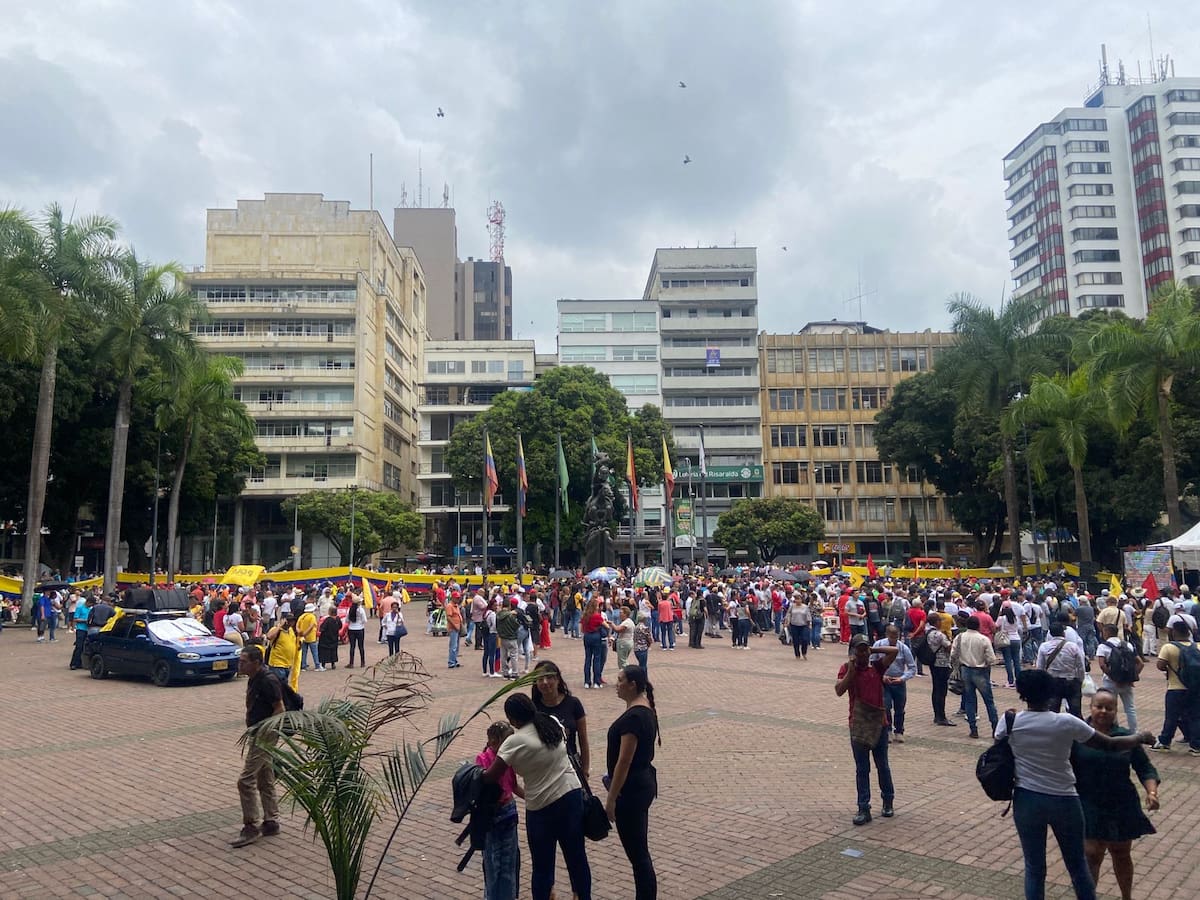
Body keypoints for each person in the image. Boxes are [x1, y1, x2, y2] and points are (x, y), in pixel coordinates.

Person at [998, 669, 1155, 900]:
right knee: (1078, 866)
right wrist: (1140, 738)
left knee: (1034, 867)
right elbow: (1109, 745)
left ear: (1022, 694)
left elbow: (1000, 748)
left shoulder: (1009, 720)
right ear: (1051, 694)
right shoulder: (1066, 722)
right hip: (1064, 799)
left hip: (1027, 799)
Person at [481, 694, 592, 900]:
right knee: (577, 857)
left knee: (542, 866)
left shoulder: (514, 742)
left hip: (542, 808)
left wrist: (477, 767)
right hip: (571, 797)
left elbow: (491, 776)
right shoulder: (553, 723)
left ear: (512, 719)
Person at [1071, 689, 1159, 900]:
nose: (1103, 711)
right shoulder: (1077, 736)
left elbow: (1145, 768)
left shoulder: (1127, 738)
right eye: (1098, 706)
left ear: (1116, 711)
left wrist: (1152, 792)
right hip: (1088, 801)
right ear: (1090, 708)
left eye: (1109, 708)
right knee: (1091, 854)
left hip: (1121, 802)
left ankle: (1126, 896)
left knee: (1121, 853)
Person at [605, 666, 660, 900]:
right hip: (643, 783)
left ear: (633, 685)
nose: (616, 684)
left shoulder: (635, 717)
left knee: (638, 854)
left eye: (620, 680)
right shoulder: (644, 708)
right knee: (639, 851)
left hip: (632, 789)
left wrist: (611, 798)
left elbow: (624, 761)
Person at [835, 634, 899, 825]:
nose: (863, 653)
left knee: (883, 766)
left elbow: (894, 651)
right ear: (852, 652)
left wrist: (874, 650)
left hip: (879, 723)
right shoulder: (847, 669)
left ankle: (888, 801)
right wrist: (852, 669)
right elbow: (839, 690)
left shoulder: (877, 667)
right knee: (862, 769)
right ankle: (864, 807)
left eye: (865, 649)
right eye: (859, 649)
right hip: (858, 723)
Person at [231, 645, 283, 847]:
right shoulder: (254, 677)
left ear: (256, 662)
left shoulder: (268, 680)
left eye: (244, 661)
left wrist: (265, 731)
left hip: (265, 735)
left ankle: (251, 826)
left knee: (245, 780)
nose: (240, 664)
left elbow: (280, 708)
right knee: (265, 777)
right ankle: (271, 820)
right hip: (257, 732)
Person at [475, 721, 523, 900]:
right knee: (493, 863)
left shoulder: (508, 759)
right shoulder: (483, 760)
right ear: (493, 742)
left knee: (509, 862)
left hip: (509, 813)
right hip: (492, 816)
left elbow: (514, 786)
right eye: (506, 742)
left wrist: (534, 797)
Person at [532, 660, 590, 778]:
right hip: (544, 769)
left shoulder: (573, 703)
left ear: (558, 679)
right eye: (540, 679)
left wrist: (585, 769)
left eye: (549, 677)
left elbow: (583, 740)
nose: (545, 682)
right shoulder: (533, 708)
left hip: (571, 766)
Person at [1150, 618, 1200, 754]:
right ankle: (1196, 746)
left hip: (1175, 688)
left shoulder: (1169, 647)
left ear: (1174, 632)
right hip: (1195, 688)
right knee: (1196, 716)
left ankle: (1164, 742)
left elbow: (1160, 665)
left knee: (1171, 716)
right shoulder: (1197, 646)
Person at [951, 615, 1000, 739]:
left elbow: (953, 654)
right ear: (978, 625)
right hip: (981, 671)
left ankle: (973, 729)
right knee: (989, 701)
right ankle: (995, 728)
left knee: (969, 700)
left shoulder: (960, 637)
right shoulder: (983, 639)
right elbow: (991, 659)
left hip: (965, 670)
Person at [1095, 622, 1142, 731]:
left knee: (1110, 707)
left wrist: (1114, 678)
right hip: (1127, 682)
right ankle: (1134, 731)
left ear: (1106, 633)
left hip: (1110, 682)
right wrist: (1131, 678)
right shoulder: (1127, 645)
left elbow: (1102, 665)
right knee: (1130, 708)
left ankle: (1114, 729)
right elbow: (1140, 663)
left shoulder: (1103, 646)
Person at [872, 624, 916, 743]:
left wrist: (902, 678)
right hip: (884, 681)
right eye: (891, 638)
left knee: (900, 708)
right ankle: (888, 730)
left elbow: (912, 667)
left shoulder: (903, 648)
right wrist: (881, 676)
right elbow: (872, 663)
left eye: (896, 638)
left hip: (898, 681)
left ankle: (899, 730)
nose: (893, 640)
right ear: (887, 635)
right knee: (885, 706)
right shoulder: (879, 645)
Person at [1038, 622, 1088, 719]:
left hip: (1052, 682)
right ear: (1063, 633)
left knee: (1052, 712)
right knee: (1075, 712)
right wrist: (1080, 680)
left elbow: (1040, 667)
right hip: (1071, 681)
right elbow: (1081, 666)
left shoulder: (1044, 647)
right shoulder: (1073, 646)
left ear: (1051, 634)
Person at [924, 613, 956, 726]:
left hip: (933, 662)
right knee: (942, 690)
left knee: (936, 688)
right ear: (936, 622)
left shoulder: (927, 632)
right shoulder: (939, 634)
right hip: (941, 663)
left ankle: (937, 715)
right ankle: (941, 716)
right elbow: (949, 647)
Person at [264, 613, 301, 691]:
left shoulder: (291, 630)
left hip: (287, 664)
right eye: (289, 620)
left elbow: (302, 634)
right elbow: (269, 636)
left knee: (282, 686)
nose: (291, 622)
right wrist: (280, 626)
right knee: (279, 687)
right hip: (277, 664)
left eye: (293, 621)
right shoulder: (277, 630)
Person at [581, 599, 612, 689]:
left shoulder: (585, 616)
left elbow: (582, 630)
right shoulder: (597, 616)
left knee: (587, 659)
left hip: (587, 636)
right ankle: (596, 682)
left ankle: (587, 682)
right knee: (597, 659)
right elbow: (606, 626)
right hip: (596, 636)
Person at [497, 598, 522, 680]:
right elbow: (516, 625)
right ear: (509, 605)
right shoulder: (511, 615)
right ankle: (515, 673)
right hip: (511, 637)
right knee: (513, 656)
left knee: (503, 656)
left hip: (502, 637)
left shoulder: (498, 615)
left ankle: (505, 673)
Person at [69, 596, 93, 670]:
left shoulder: (90, 609)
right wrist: (84, 620)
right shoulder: (80, 608)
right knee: (79, 646)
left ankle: (79, 663)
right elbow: (75, 619)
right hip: (80, 629)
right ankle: (73, 663)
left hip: (87, 629)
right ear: (87, 602)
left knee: (83, 647)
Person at [787, 591, 813, 659]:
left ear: (801, 600)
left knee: (805, 639)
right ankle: (797, 654)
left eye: (799, 599)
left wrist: (809, 624)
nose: (798, 601)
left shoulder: (805, 607)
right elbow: (789, 614)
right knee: (795, 641)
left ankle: (804, 652)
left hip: (803, 625)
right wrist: (787, 621)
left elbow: (808, 616)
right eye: (796, 599)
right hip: (794, 625)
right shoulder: (792, 606)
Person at [296, 602, 320, 671]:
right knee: (314, 652)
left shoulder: (301, 616)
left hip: (302, 637)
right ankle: (317, 665)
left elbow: (297, 626)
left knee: (304, 652)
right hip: (311, 637)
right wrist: (305, 633)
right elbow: (311, 626)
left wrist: (300, 633)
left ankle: (303, 666)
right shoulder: (312, 616)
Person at [344, 598, 367, 668]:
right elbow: (364, 620)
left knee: (352, 647)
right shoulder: (361, 610)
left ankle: (351, 663)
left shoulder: (349, 610)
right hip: (360, 629)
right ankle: (362, 662)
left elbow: (346, 620)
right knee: (361, 646)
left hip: (351, 629)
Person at [446, 593, 464, 669]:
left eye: (458, 598)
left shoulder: (456, 606)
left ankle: (454, 660)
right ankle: (451, 662)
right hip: (453, 628)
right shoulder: (450, 606)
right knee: (453, 646)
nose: (458, 599)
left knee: (456, 646)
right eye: (456, 598)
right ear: (452, 598)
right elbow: (449, 617)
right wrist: (455, 625)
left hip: (458, 627)